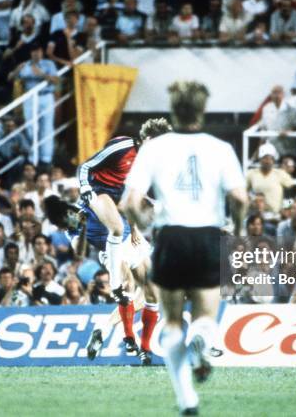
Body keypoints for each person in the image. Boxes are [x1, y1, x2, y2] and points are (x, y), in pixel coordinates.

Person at [122, 81, 248, 415]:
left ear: (173, 111)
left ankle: (186, 399)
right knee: (206, 315)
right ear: (202, 110)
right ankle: (204, 339)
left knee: (172, 323)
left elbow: (129, 201)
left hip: (171, 237)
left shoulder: (155, 148)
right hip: (208, 236)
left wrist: (148, 224)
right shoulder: (220, 148)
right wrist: (237, 226)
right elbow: (239, 198)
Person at [76, 118, 172, 355]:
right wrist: (86, 191)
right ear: (146, 138)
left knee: (152, 290)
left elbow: (131, 197)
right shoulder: (122, 147)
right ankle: (127, 332)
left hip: (120, 218)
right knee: (127, 282)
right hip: (98, 199)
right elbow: (86, 167)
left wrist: (136, 228)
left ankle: (109, 329)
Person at [8, 42, 59, 167]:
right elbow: (10, 78)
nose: (36, 54)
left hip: (46, 96)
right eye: (34, 51)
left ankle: (45, 159)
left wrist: (42, 74)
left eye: (39, 51)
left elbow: (57, 80)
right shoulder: (25, 65)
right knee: (31, 128)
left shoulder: (49, 64)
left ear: (42, 52)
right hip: (30, 98)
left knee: (46, 128)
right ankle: (33, 156)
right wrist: (16, 71)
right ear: (31, 53)